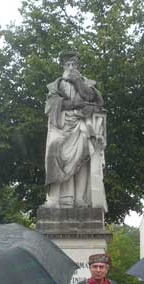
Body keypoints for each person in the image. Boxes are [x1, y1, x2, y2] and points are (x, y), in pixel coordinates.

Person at [43, 50, 106, 208]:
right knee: (53, 151)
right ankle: (54, 199)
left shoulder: (86, 83)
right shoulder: (56, 85)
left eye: (74, 65)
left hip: (81, 125)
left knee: (83, 158)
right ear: (63, 66)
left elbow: (94, 99)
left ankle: (79, 198)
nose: (71, 67)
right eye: (68, 65)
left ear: (78, 66)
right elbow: (50, 106)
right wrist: (74, 104)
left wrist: (78, 82)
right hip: (62, 125)